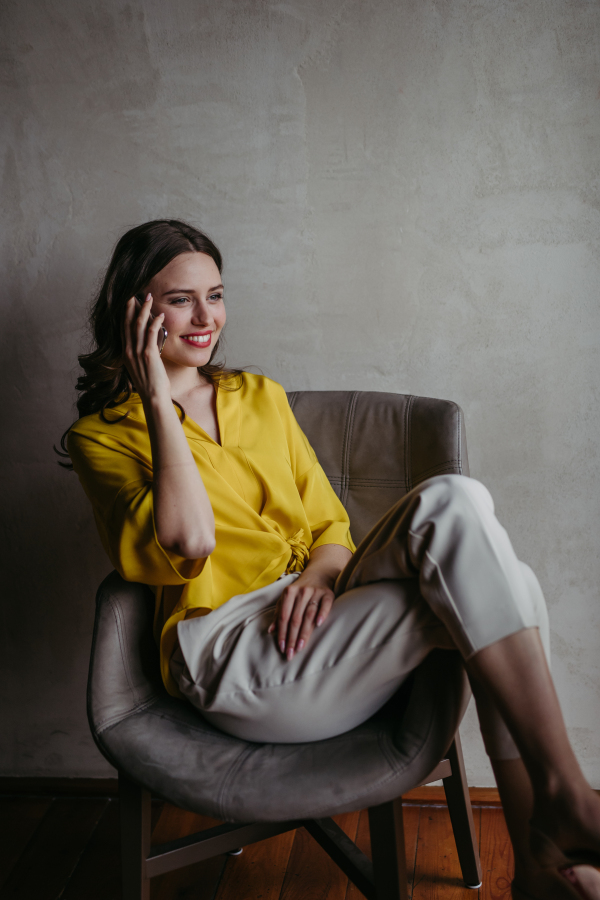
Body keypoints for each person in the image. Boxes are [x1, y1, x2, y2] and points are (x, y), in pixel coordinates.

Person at [61, 220, 600, 900]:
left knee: (459, 504)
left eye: (217, 295)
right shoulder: (101, 438)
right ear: (135, 311)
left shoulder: (258, 395)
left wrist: (319, 574)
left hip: (320, 610)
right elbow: (190, 540)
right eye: (180, 300)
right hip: (233, 655)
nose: (206, 318)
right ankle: (560, 821)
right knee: (508, 582)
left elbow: (329, 524)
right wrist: (157, 402)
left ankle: (547, 837)